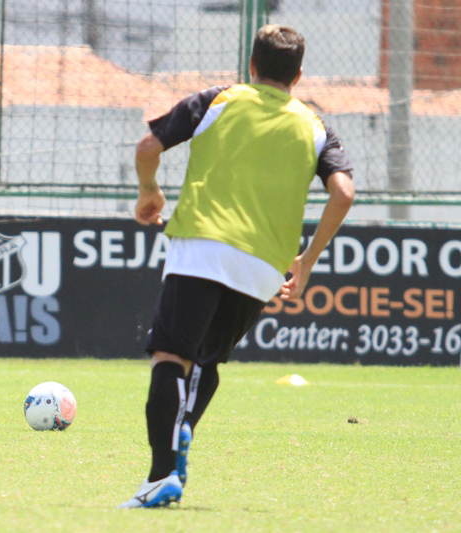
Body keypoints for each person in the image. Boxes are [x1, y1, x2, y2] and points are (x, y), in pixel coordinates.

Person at [120, 24, 355, 507]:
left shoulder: (218, 99)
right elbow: (344, 192)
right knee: (207, 359)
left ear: (251, 66)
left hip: (203, 245)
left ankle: (160, 476)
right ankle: (182, 429)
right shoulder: (314, 125)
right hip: (264, 266)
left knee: (171, 357)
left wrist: (149, 192)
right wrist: (307, 261)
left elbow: (147, 148)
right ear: (299, 75)